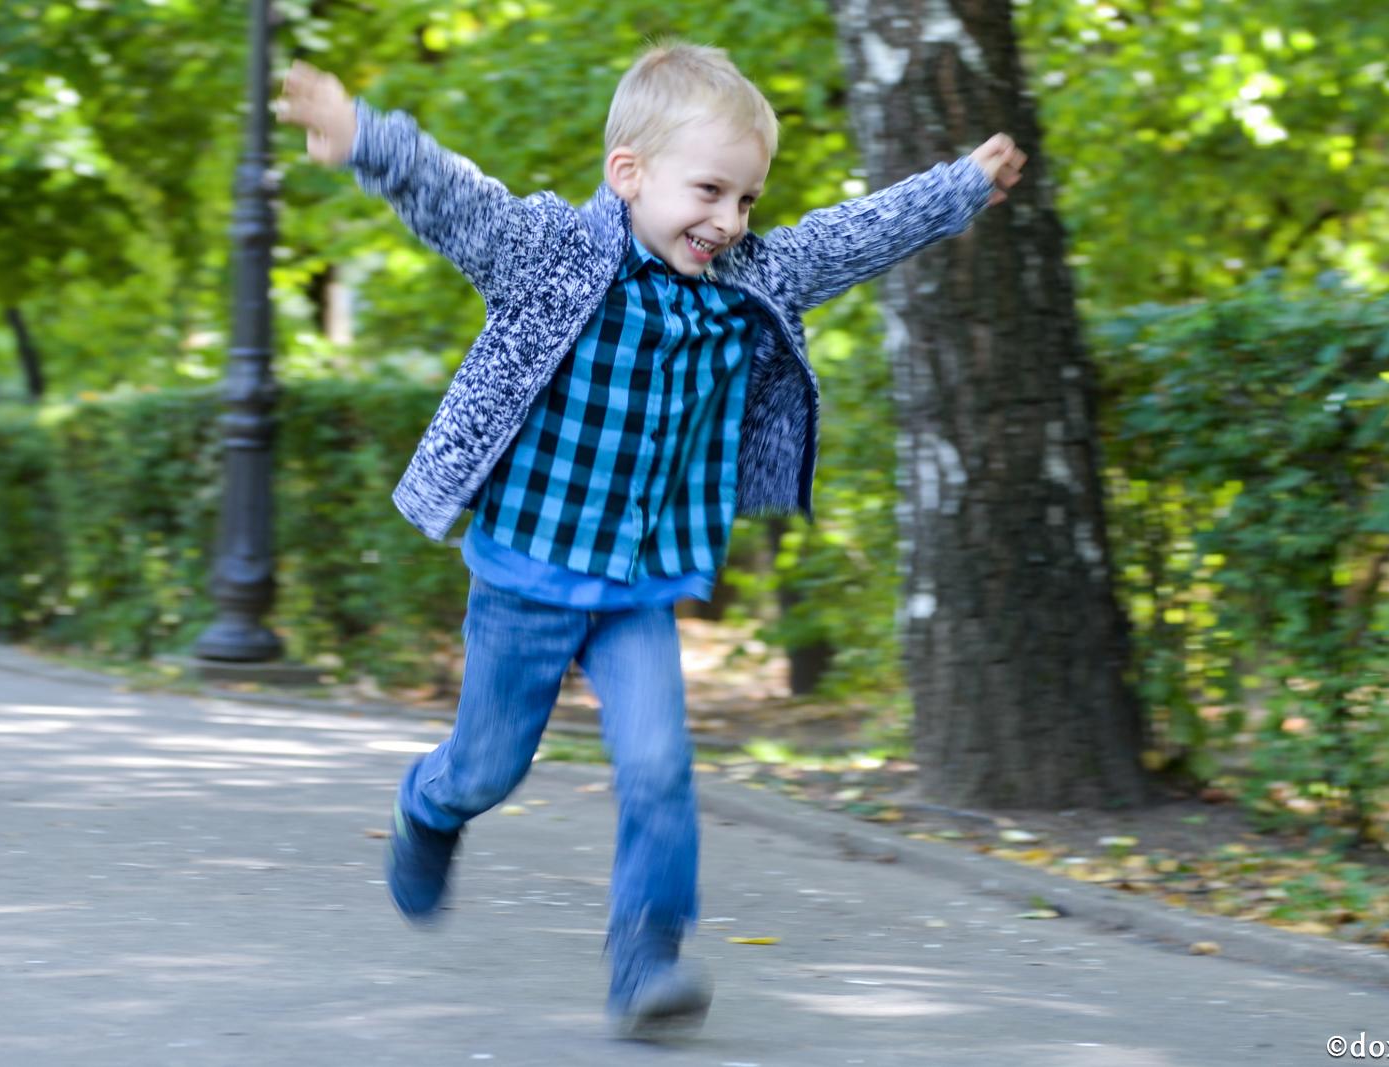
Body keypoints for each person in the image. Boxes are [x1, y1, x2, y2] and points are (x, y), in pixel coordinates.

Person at [278, 40, 1025, 1040]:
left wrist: (958, 188)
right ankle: (431, 804)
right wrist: (367, 136)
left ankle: (647, 957)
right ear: (628, 174)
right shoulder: (553, 256)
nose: (727, 221)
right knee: (489, 768)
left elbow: (855, 234)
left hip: (638, 584)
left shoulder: (749, 278)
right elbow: (456, 194)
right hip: (528, 570)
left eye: (747, 200)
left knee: (660, 765)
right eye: (709, 190)